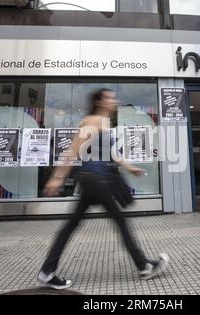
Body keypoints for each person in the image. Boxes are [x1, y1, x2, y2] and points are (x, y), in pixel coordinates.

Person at [38, 88, 170, 290]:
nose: (113, 100)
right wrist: (57, 178)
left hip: (94, 181)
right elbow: (73, 150)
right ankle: (144, 266)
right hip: (96, 181)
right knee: (120, 223)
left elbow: (111, 153)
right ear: (100, 102)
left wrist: (129, 167)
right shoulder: (92, 121)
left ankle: (47, 272)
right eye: (109, 97)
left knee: (71, 226)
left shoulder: (105, 123)